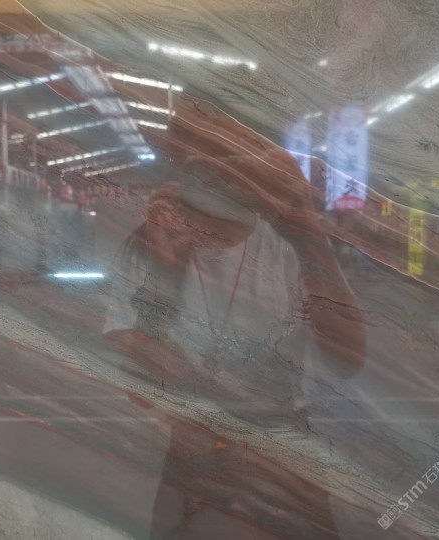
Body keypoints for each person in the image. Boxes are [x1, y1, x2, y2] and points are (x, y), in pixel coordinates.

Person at [103, 147, 366, 538]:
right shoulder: (151, 243)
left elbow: (348, 358)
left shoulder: (285, 246)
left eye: (227, 157)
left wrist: (305, 226)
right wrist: (167, 274)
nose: (214, 169)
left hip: (282, 460)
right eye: (193, 152)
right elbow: (139, 386)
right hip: (196, 458)